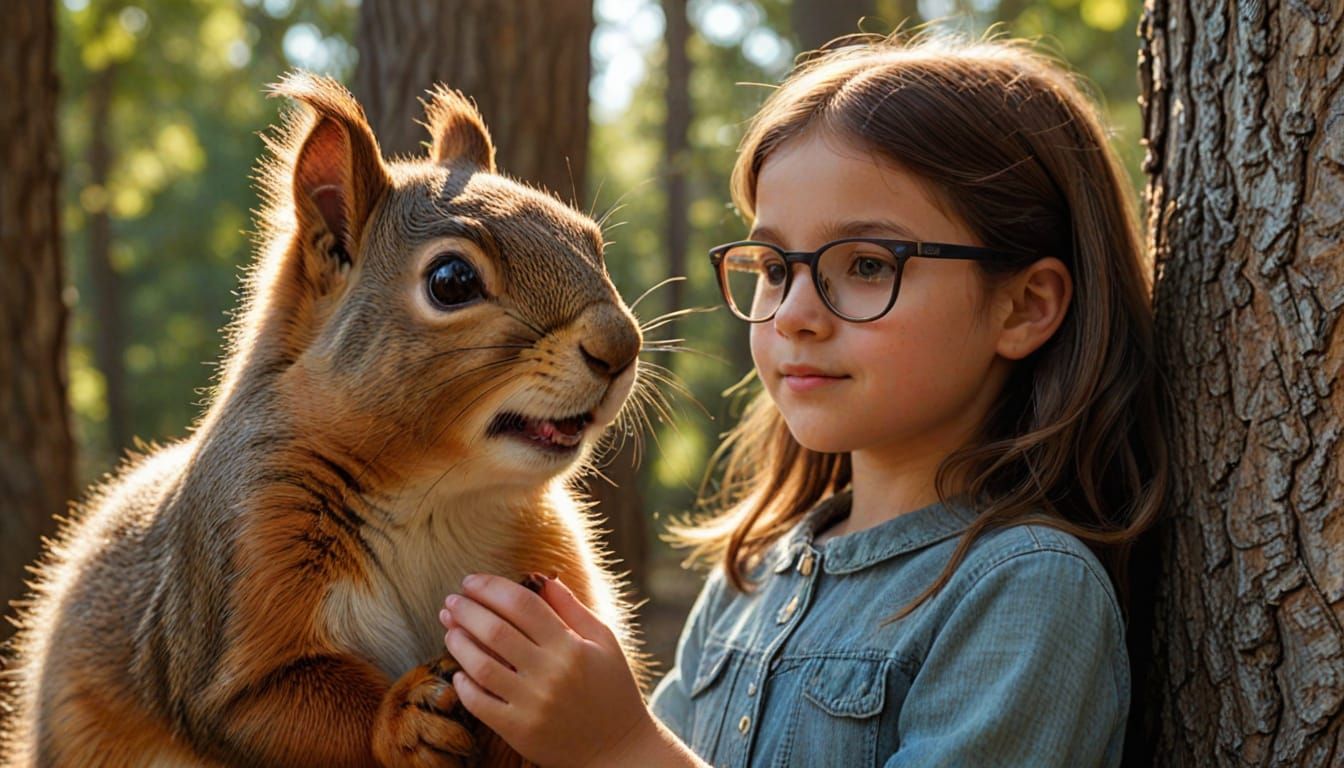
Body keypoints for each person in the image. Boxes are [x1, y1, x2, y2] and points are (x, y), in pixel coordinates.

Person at [436, 32, 1168, 767]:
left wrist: (619, 746)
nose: (793, 314)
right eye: (775, 266)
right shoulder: (750, 578)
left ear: (1023, 307)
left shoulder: (1029, 589)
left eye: (867, 265)